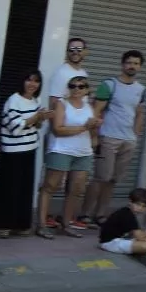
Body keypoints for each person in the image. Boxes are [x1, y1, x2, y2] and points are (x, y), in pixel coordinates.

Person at [80, 51, 146, 227]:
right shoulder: (109, 85)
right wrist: (95, 136)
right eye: (129, 62)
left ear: (140, 66)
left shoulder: (141, 89)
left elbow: (139, 112)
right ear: (122, 64)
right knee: (101, 177)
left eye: (136, 63)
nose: (132, 66)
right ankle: (84, 214)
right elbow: (96, 111)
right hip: (109, 137)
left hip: (128, 140)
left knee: (113, 180)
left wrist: (135, 134)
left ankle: (100, 215)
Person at [0, 71, 52, 237]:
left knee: (24, 188)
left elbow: (35, 127)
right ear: (22, 82)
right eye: (29, 80)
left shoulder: (36, 101)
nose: (32, 84)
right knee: (9, 189)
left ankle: (20, 224)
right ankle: (2, 225)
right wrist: (36, 117)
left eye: (36, 81)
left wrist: (41, 118)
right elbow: (15, 127)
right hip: (12, 151)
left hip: (30, 149)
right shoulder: (13, 100)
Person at [36, 75, 99, 239]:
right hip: (61, 149)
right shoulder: (61, 104)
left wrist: (94, 130)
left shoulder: (88, 107)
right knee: (50, 186)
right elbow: (58, 129)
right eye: (73, 86)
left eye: (81, 86)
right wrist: (84, 127)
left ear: (87, 89)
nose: (77, 89)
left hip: (83, 152)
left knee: (76, 190)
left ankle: (66, 223)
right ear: (68, 88)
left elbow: (91, 132)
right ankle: (42, 225)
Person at [97, 188, 146, 257]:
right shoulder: (127, 215)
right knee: (145, 245)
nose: (140, 208)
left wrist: (145, 237)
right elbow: (139, 237)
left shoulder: (128, 212)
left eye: (144, 206)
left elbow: (138, 235)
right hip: (110, 243)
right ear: (130, 202)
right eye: (138, 204)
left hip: (120, 239)